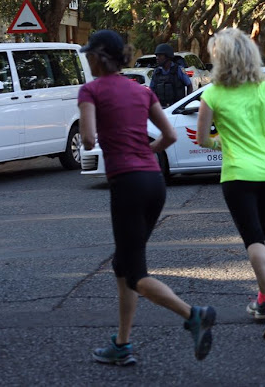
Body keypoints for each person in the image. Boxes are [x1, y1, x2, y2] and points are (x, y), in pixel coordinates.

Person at [78, 30, 215, 365]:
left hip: (127, 185)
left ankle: (193, 315)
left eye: (89, 55)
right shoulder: (141, 90)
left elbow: (86, 139)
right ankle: (122, 344)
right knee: (123, 264)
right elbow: (168, 135)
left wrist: (107, 140)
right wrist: (143, 154)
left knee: (136, 272)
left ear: (100, 56)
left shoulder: (90, 90)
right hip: (154, 181)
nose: (87, 60)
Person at [195, 27, 265, 339]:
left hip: (238, 174)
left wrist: (220, 145)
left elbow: (201, 139)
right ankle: (264, 300)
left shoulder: (212, 94)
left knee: (251, 238)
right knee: (262, 235)